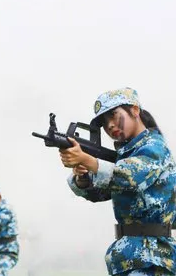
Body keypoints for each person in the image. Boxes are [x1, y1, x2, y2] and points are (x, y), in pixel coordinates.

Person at [62, 87, 176, 275]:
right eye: (104, 122)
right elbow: (101, 191)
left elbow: (131, 178)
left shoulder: (154, 147)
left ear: (135, 110)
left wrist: (88, 160)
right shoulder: (125, 156)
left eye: (114, 115)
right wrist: (82, 177)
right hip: (129, 256)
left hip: (152, 256)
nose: (110, 126)